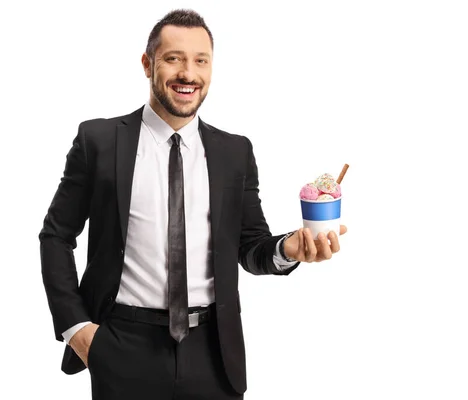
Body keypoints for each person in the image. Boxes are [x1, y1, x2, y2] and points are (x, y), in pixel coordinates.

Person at [39, 9, 346, 400]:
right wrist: (77, 328)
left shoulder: (235, 151)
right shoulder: (98, 141)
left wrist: (290, 249)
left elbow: (251, 247)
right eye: (174, 58)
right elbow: (56, 236)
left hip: (214, 353)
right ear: (148, 63)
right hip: (122, 345)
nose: (188, 73)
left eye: (200, 60)